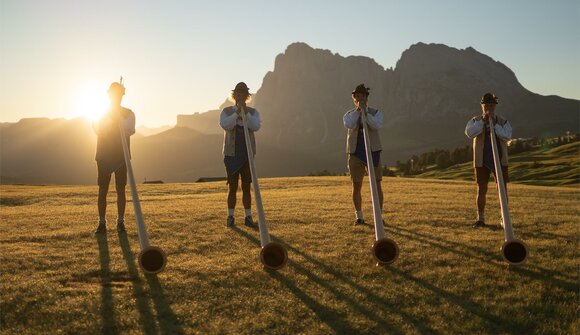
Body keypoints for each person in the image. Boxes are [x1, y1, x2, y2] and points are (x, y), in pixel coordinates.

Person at [93, 81, 136, 233]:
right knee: (102, 189)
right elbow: (98, 129)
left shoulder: (128, 113)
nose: (116, 97)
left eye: (119, 94)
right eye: (113, 94)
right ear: (109, 95)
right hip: (104, 154)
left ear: (122, 95)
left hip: (121, 156)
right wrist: (110, 122)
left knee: (120, 189)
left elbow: (130, 130)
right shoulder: (101, 112)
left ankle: (120, 222)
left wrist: (118, 122)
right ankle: (102, 223)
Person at [465, 92, 512, 228]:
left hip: (500, 159)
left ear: (495, 107)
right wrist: (483, 121)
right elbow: (470, 133)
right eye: (486, 105)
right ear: (482, 106)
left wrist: (494, 125)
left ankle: (504, 218)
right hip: (481, 160)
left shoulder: (502, 121)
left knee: (502, 189)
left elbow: (507, 136)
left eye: (491, 106)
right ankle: (481, 218)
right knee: (481, 189)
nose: (489, 108)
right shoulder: (475, 120)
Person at [219, 82, 261, 228]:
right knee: (232, 186)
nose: (240, 96)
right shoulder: (227, 111)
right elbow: (226, 125)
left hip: (247, 155)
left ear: (246, 96)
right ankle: (230, 216)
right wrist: (237, 112)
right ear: (234, 95)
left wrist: (245, 112)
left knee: (246, 186)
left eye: (242, 93)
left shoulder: (253, 112)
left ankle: (248, 217)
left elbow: (255, 126)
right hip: (231, 155)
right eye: (237, 93)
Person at [343, 84, 384, 225]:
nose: (360, 99)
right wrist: (358, 111)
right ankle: (359, 217)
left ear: (367, 97)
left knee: (377, 184)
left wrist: (365, 112)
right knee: (356, 185)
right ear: (354, 99)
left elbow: (376, 125)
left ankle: (379, 216)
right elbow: (349, 124)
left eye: (362, 96)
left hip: (373, 152)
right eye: (357, 97)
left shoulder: (376, 112)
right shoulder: (349, 114)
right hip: (355, 153)